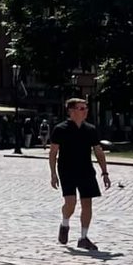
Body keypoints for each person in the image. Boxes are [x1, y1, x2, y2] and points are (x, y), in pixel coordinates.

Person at [49, 97, 111, 251]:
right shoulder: (60, 129)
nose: (85, 111)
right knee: (71, 204)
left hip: (86, 170)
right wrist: (53, 174)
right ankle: (65, 224)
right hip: (67, 170)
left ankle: (83, 238)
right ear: (71, 111)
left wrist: (105, 172)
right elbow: (53, 153)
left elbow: (98, 151)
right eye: (81, 108)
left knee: (87, 204)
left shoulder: (90, 130)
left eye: (86, 108)